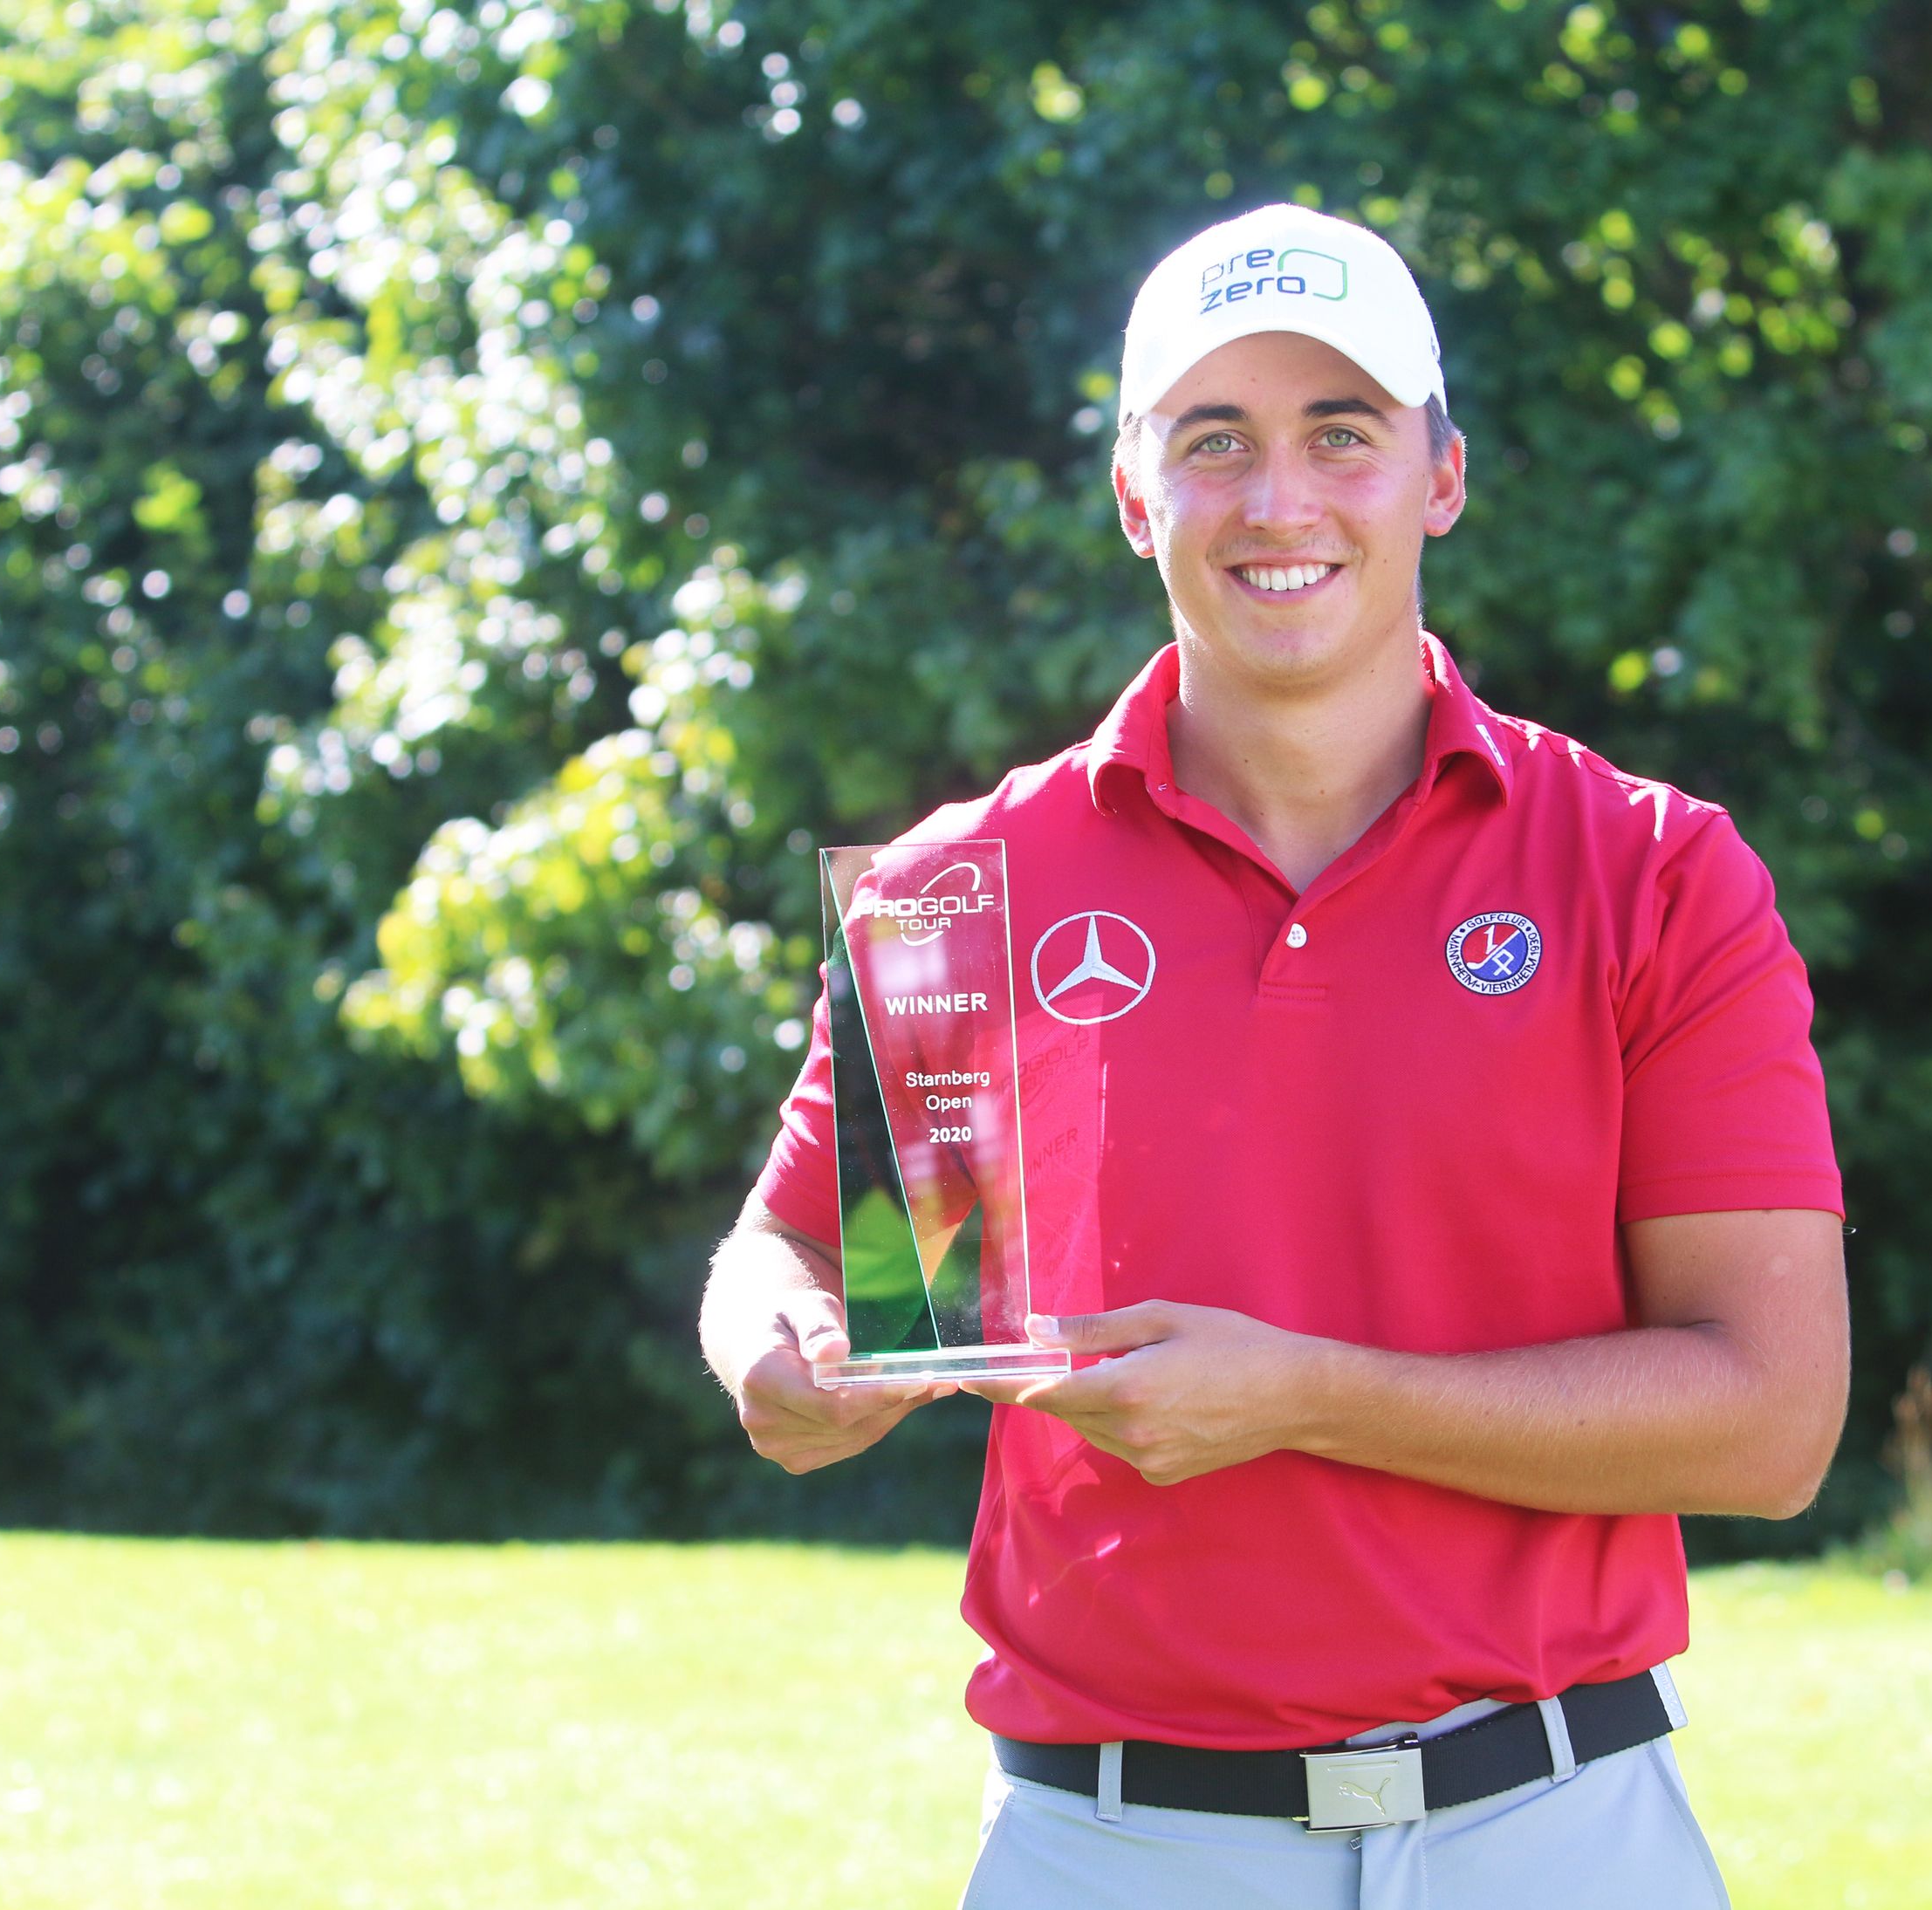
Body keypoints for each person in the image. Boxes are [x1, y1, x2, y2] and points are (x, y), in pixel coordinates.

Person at [696, 202, 1848, 1910]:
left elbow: (1770, 1422)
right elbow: (798, 1250)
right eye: (1214, 440)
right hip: (1112, 1847)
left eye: (1342, 433)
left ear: (1441, 476)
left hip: (1551, 1828)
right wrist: (776, 1347)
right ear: (1133, 494)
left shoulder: (1652, 871)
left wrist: (1308, 1397)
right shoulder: (959, 891)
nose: (1279, 499)